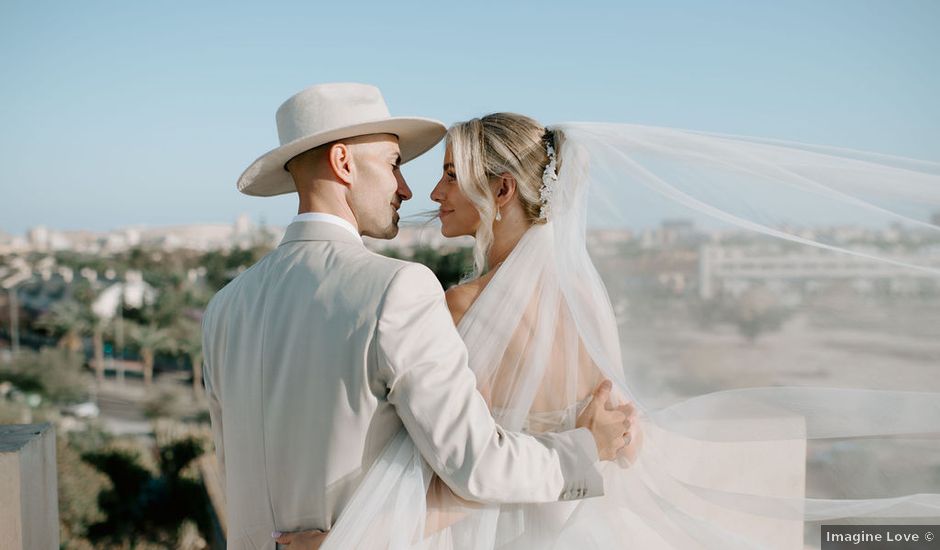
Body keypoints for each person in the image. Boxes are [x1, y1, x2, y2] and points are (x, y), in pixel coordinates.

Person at [282, 112, 940, 549]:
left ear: (502, 190)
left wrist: (348, 539)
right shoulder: (587, 301)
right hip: (579, 523)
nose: (433, 192)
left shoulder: (459, 307)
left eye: (452, 174)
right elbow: (618, 437)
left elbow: (458, 472)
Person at [201, 84, 635, 550]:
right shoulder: (398, 289)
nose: (409, 190)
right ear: (344, 164)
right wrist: (584, 452)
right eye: (393, 164)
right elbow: (475, 464)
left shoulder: (223, 308)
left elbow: (232, 469)